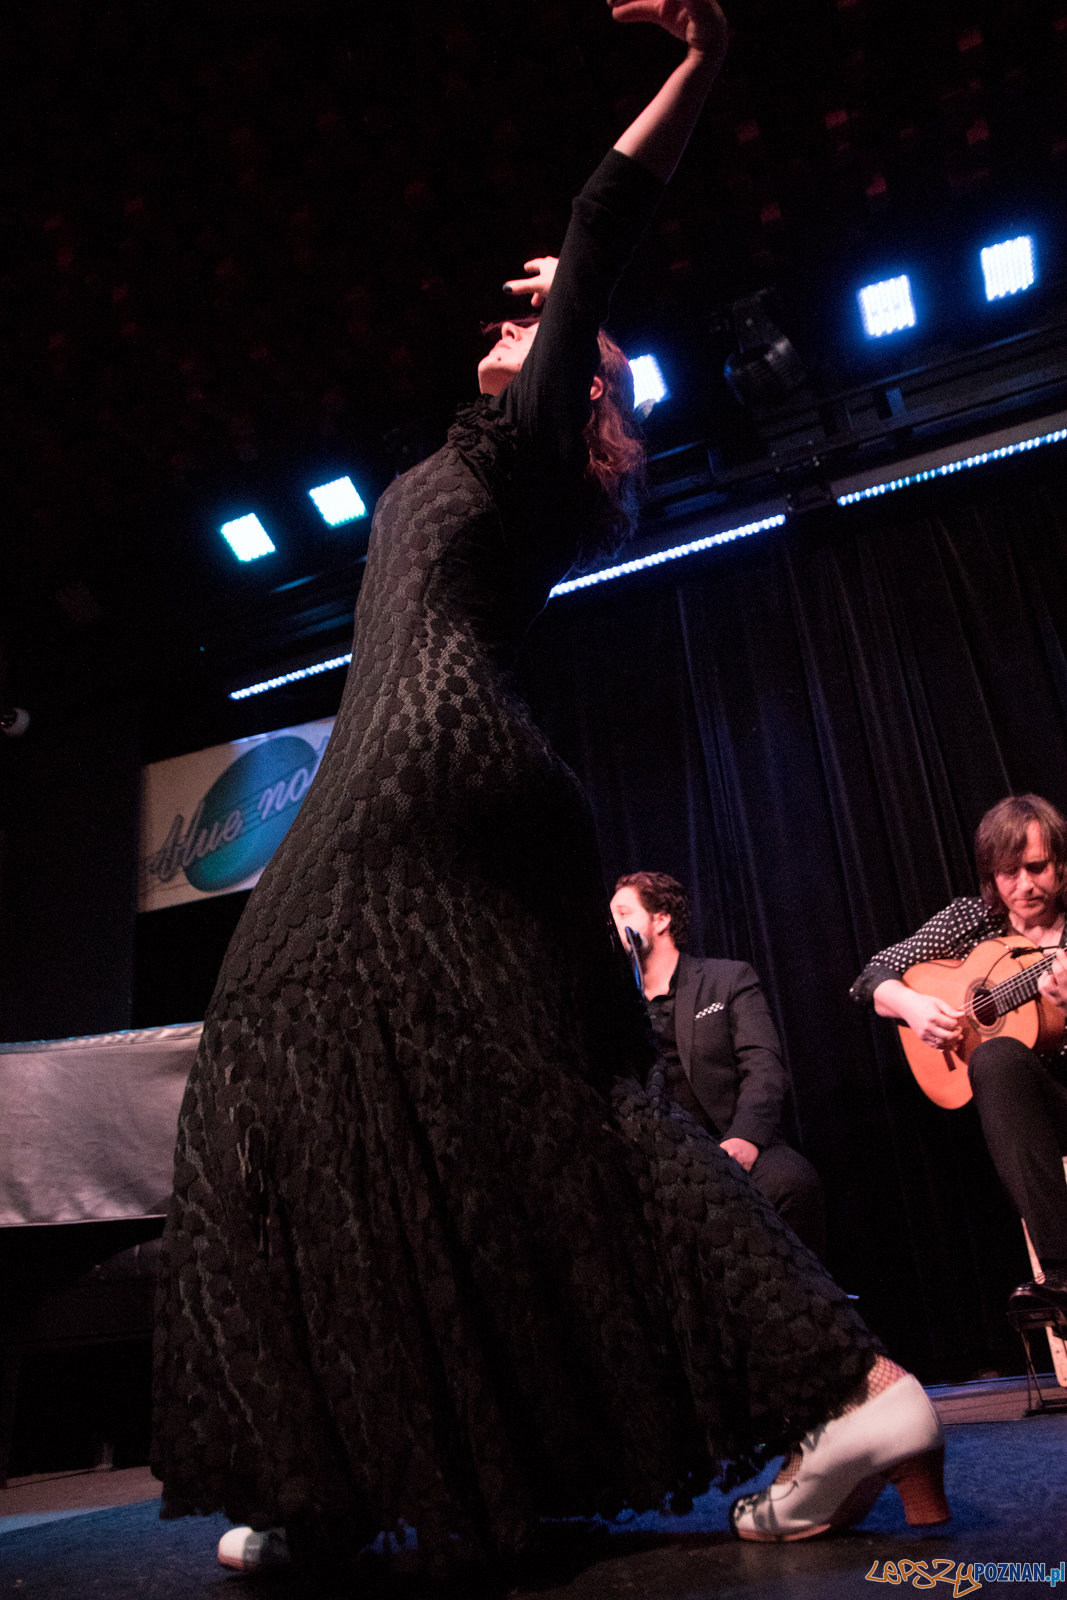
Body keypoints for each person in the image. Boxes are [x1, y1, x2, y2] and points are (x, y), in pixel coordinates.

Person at [152, 0, 948, 1573]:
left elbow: (601, 218)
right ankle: (851, 1394)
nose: (511, 319)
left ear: (584, 387)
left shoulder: (520, 456)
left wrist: (701, 64)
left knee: (274, 1045)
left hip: (421, 777)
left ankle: (322, 1475)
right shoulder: (499, 464)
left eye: (549, 332)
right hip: (475, 781)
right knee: (551, 1099)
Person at [851, 793, 1067, 1318]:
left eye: (1036, 867)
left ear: (1060, 862)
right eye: (1007, 873)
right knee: (994, 1058)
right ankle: (1062, 1275)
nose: (1024, 885)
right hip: (1028, 1116)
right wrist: (911, 1005)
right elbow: (870, 979)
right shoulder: (971, 921)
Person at [609, 871, 827, 1257]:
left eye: (624, 912)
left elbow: (764, 1065)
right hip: (665, 1160)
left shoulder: (726, 979)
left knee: (792, 1183)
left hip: (730, 1140)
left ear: (661, 919)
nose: (615, 924)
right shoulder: (619, 1006)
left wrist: (744, 1138)